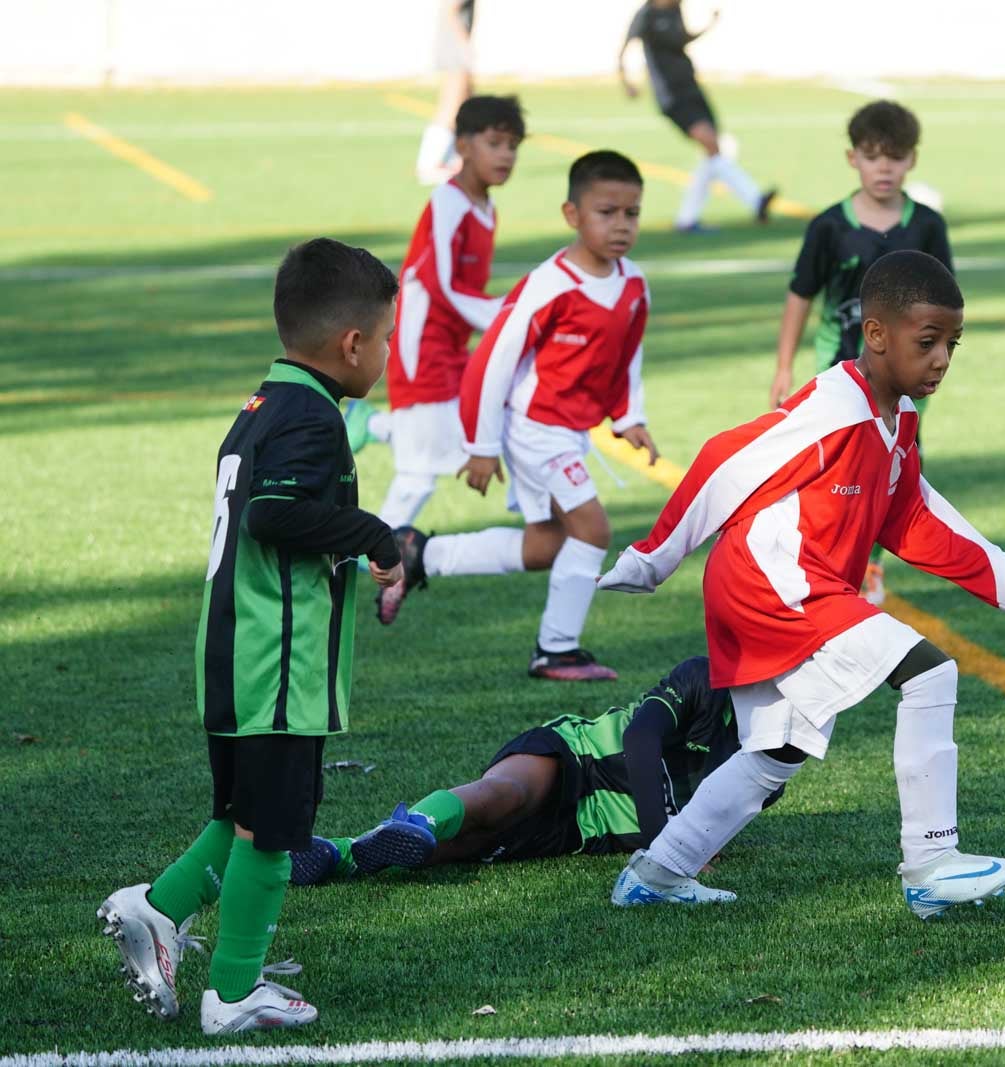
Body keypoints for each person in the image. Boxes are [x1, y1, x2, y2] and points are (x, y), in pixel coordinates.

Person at [599, 251, 1005, 919]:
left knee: (776, 751)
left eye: (952, 345)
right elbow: (723, 459)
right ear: (876, 335)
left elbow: (918, 521)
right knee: (929, 673)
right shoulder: (835, 408)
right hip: (773, 586)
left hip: (786, 589)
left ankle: (656, 872)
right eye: (928, 341)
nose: (941, 359)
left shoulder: (897, 418)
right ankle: (932, 863)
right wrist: (652, 559)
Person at [97, 239, 401, 1034]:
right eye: (388, 338)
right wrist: (374, 532)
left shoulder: (266, 404)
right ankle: (233, 993)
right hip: (275, 664)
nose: (389, 354)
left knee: (241, 814)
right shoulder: (310, 416)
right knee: (273, 832)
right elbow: (274, 514)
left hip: (236, 653)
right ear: (353, 343)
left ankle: (156, 908)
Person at [377, 151, 657, 684]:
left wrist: (628, 416)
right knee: (593, 528)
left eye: (632, 213)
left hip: (569, 432)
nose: (621, 225)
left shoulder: (633, 284)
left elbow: (627, 357)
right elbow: (490, 362)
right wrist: (481, 445)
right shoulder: (550, 284)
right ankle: (556, 648)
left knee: (545, 546)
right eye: (607, 212)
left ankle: (419, 553)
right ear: (572, 214)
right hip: (533, 429)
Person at [288, 656, 778, 883]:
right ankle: (417, 820)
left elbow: (718, 822)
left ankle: (341, 854)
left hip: (585, 831)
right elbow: (639, 738)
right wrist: (665, 847)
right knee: (505, 795)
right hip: (577, 755)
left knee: (462, 849)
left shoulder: (770, 754)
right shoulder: (702, 675)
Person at [769, 101, 953, 606]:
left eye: (895, 157)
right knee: (841, 471)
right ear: (853, 158)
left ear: (912, 160)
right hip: (842, 371)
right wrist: (784, 366)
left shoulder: (928, 227)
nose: (885, 168)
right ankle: (832, 563)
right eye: (874, 157)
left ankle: (868, 566)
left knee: (891, 471)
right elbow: (800, 294)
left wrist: (933, 357)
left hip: (905, 376)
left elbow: (944, 301)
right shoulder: (829, 226)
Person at [346, 95, 525, 532]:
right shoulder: (449, 202)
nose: (506, 155)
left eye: (514, 145)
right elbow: (441, 284)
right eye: (496, 142)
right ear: (462, 145)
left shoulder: (487, 208)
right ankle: (366, 557)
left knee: (504, 401)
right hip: (420, 338)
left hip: (453, 339)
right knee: (419, 475)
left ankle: (379, 427)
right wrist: (503, 316)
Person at [618, 0, 775, 232]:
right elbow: (625, 48)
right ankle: (755, 199)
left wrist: (708, 26)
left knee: (712, 151)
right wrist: (627, 82)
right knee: (711, 144)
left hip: (691, 87)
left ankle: (687, 220)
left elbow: (681, 40)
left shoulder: (676, 9)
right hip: (671, 95)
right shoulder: (646, 14)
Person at [415, 0, 478, 185]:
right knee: (451, 106)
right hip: (454, 46)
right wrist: (463, 42)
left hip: (454, 44)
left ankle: (451, 159)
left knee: (465, 103)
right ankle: (428, 164)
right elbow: (450, 8)